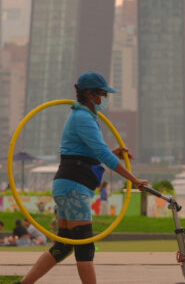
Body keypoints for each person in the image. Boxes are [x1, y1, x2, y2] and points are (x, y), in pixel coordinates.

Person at [17, 71, 149, 284]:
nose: (102, 99)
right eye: (100, 95)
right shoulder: (82, 117)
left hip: (70, 185)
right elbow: (102, 155)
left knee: (64, 245)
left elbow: (91, 153)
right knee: (85, 245)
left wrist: (113, 153)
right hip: (73, 188)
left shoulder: (83, 116)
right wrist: (134, 180)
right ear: (89, 94)